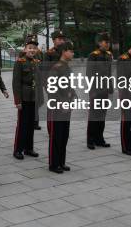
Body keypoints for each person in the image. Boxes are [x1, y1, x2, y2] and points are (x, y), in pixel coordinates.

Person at [47, 41, 76, 173]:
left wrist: (74, 99)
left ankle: (61, 162)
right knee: (56, 135)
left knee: (64, 135)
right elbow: (51, 89)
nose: (73, 53)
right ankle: (54, 164)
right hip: (58, 108)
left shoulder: (66, 67)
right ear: (64, 52)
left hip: (66, 106)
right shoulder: (56, 68)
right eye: (71, 51)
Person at [12, 34, 41, 160]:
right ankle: (18, 149)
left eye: (34, 48)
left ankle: (29, 148)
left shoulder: (36, 62)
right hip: (23, 97)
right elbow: (16, 83)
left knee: (30, 124)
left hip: (33, 97)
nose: (32, 50)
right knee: (22, 124)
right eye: (30, 47)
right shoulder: (20, 63)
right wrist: (17, 101)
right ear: (25, 49)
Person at [86, 32, 113, 150]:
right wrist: (92, 90)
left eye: (108, 42)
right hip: (95, 89)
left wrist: (110, 88)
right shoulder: (93, 55)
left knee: (102, 114)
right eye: (105, 42)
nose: (107, 44)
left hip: (105, 89)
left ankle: (99, 138)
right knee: (94, 115)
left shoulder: (108, 55)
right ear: (99, 43)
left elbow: (109, 72)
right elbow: (89, 74)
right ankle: (90, 140)